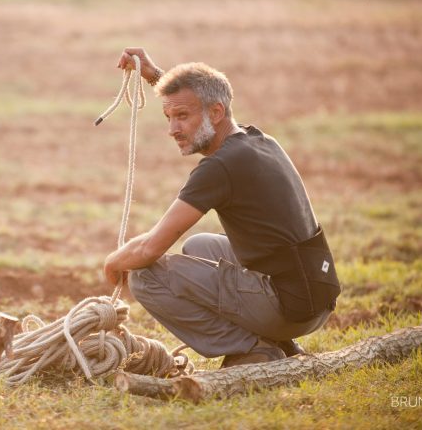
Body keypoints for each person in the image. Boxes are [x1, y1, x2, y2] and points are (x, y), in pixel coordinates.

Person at [103, 47, 340, 367]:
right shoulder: (257, 141)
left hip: (291, 308)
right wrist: (156, 76)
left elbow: (150, 249)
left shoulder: (220, 169)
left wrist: (112, 263)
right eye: (169, 117)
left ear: (216, 113)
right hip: (316, 294)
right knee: (199, 245)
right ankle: (278, 342)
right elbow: (199, 97)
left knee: (144, 277)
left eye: (182, 117)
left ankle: (252, 350)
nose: (172, 129)